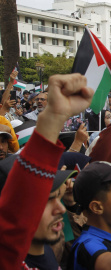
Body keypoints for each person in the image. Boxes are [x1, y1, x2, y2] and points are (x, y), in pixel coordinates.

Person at [0, 74, 94, 269]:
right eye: (44, 200)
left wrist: (55, 116)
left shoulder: (46, 254)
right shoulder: (12, 260)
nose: (59, 208)